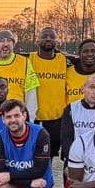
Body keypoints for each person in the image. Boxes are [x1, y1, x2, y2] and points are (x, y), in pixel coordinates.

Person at [25, 28, 71, 159]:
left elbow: (90, 59)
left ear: (57, 41)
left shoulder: (65, 60)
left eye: (52, 36)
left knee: (49, 154)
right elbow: (1, 54)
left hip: (56, 116)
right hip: (33, 115)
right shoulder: (28, 59)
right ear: (37, 40)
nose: (48, 39)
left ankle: (47, 179)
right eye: (45, 36)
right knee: (31, 151)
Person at [59, 75, 95, 160]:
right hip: (77, 157)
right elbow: (66, 138)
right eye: (92, 87)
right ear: (83, 89)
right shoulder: (71, 108)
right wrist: (70, 161)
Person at [65, 39, 95, 111]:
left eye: (93, 51)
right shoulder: (67, 71)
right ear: (79, 54)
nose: (90, 54)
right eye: (85, 51)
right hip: (72, 119)